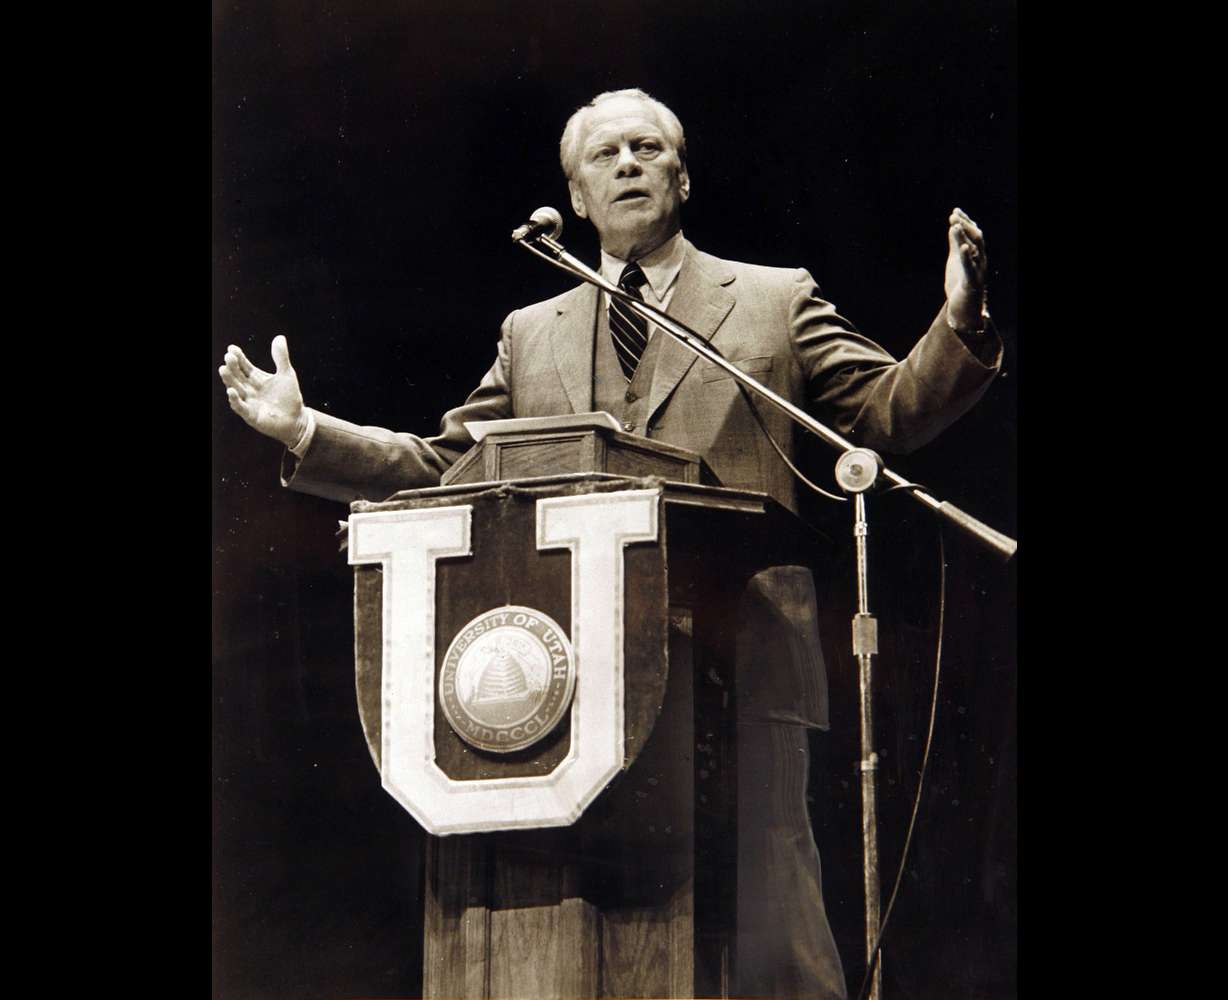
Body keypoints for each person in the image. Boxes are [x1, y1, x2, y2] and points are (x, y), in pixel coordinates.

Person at [219, 88, 1002, 1000]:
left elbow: (886, 411)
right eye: (605, 155)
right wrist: (308, 431)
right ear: (578, 198)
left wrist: (961, 325)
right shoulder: (530, 334)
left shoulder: (772, 299)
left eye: (646, 147)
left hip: (741, 667)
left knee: (770, 948)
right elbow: (444, 465)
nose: (627, 163)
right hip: (577, 692)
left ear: (681, 177)